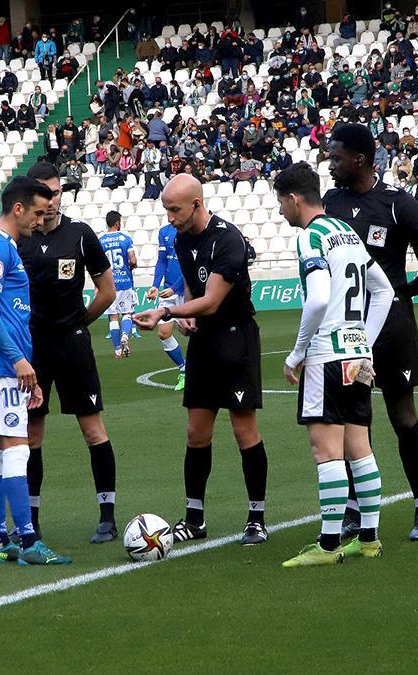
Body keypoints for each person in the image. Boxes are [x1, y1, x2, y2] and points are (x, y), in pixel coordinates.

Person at [322, 123, 418, 541]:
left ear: (358, 159)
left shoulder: (398, 205)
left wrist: (401, 295)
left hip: (391, 335)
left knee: (402, 414)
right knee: (356, 418)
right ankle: (357, 510)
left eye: (337, 156)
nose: (331, 163)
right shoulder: (330, 203)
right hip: (350, 335)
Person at [133, 173, 270, 547]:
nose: (169, 217)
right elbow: (196, 289)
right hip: (206, 341)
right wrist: (186, 313)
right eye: (165, 210)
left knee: (244, 431)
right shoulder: (181, 238)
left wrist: (168, 312)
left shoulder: (228, 238)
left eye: (174, 209)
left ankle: (256, 518)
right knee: (196, 433)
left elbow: (212, 300)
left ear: (196, 204)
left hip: (235, 338)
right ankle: (195, 519)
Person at [274, 162, 395, 567]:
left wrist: (297, 352)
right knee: (359, 448)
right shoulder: (347, 233)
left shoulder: (311, 238)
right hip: (357, 354)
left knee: (326, 451)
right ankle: (369, 539)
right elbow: (384, 290)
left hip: (327, 355)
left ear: (293, 199)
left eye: (281, 204)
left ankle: (327, 548)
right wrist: (366, 344)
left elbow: (320, 298)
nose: (280, 213)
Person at [0, 176, 71, 566]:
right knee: (16, 448)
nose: (40, 223)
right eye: (38, 214)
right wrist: (19, 361)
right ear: (18, 209)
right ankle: (28, 540)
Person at [16, 162, 121, 544]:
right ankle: (31, 520)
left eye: (57, 191)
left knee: (93, 430)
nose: (52, 199)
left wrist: (80, 322)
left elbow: (106, 291)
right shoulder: (18, 239)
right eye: (45, 192)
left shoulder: (80, 235)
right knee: (32, 433)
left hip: (72, 345)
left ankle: (107, 517)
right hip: (32, 349)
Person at [145, 220, 187, 390]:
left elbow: (192, 265)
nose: (170, 215)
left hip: (190, 291)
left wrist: (175, 288)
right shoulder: (164, 232)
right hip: (168, 291)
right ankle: (184, 370)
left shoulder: (191, 230)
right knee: (163, 333)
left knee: (197, 333)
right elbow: (162, 261)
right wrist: (155, 285)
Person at [98, 211, 138, 358]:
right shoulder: (125, 238)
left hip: (109, 284)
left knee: (113, 316)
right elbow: (132, 260)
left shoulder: (100, 240)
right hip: (125, 282)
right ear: (117, 223)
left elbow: (97, 264)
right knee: (127, 313)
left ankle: (117, 350)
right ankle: (125, 335)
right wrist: (132, 266)